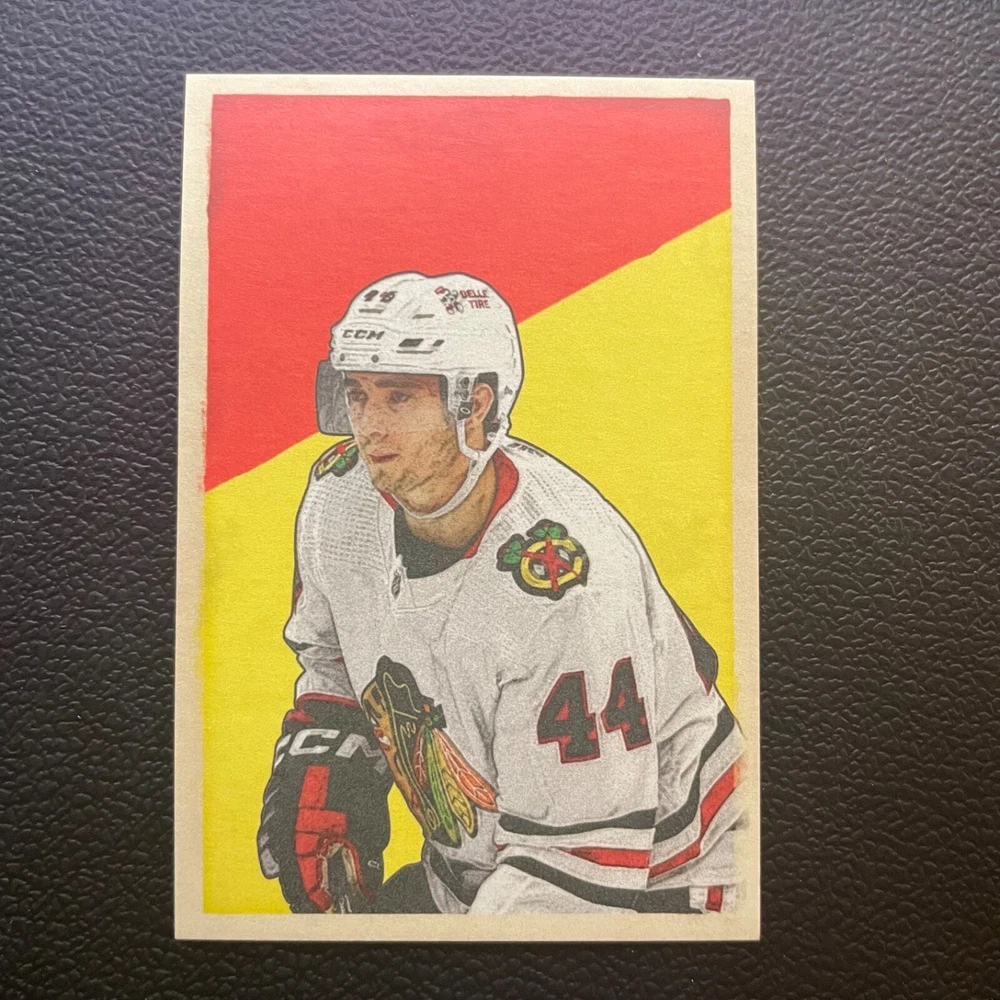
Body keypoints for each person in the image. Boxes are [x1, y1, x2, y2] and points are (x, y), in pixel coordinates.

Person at [256, 271, 743, 915]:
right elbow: (332, 656)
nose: (368, 428)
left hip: (662, 880)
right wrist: (331, 748)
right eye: (357, 394)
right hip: (480, 868)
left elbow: (575, 872)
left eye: (398, 397)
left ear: (475, 405)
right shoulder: (338, 498)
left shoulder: (566, 591)